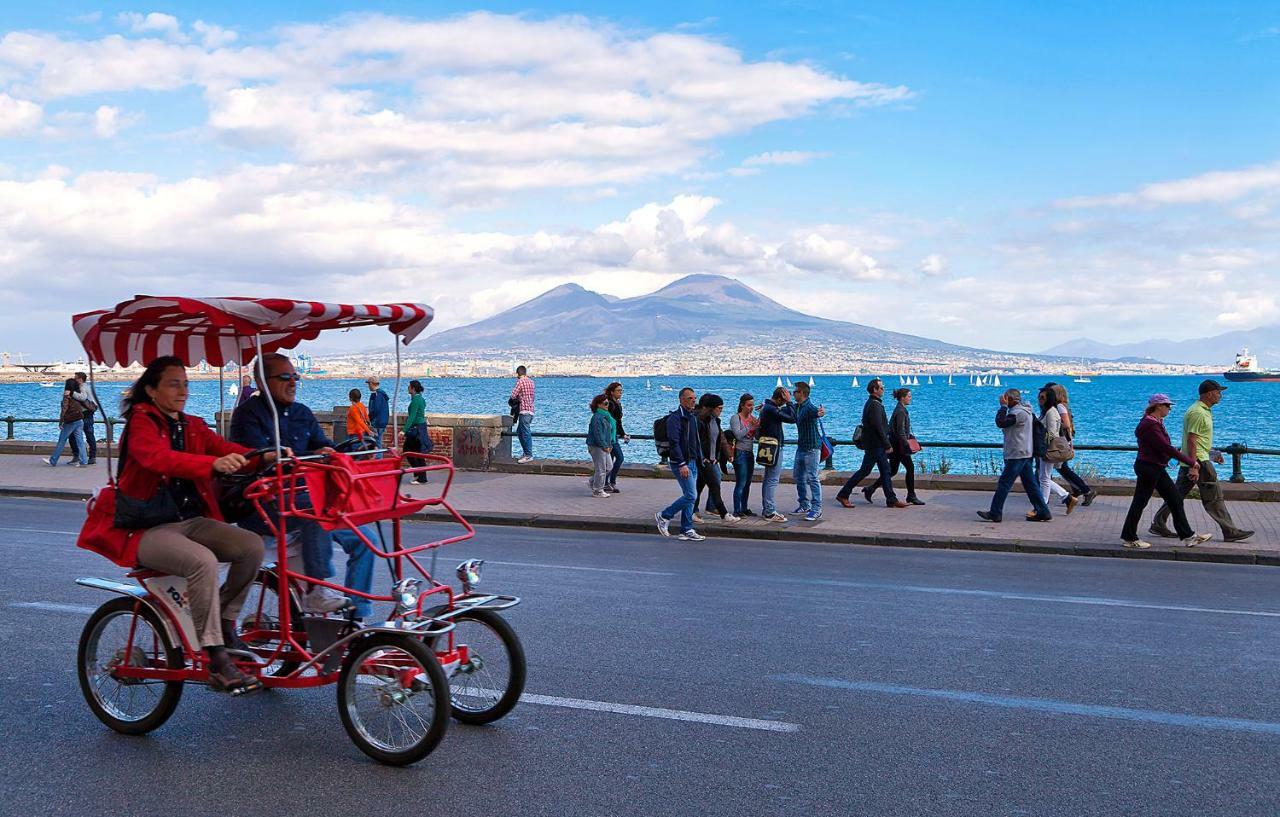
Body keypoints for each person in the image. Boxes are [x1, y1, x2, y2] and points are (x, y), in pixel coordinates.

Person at [107, 356, 266, 694]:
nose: (183, 390)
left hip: (190, 521)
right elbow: (157, 458)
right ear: (151, 390)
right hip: (146, 529)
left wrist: (266, 456)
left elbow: (226, 449)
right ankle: (215, 656)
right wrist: (212, 464)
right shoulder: (141, 423)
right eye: (173, 383)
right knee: (202, 561)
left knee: (251, 546)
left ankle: (224, 621)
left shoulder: (190, 424)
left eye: (185, 383)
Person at [230, 353, 377, 618]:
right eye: (285, 377)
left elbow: (323, 446)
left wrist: (330, 451)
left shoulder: (302, 413)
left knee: (367, 538)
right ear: (262, 382)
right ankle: (315, 592)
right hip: (263, 504)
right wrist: (275, 457)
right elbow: (251, 458)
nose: (293, 382)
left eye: (295, 376)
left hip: (303, 499)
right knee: (316, 511)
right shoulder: (247, 415)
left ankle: (357, 616)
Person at [1150, 379, 1254, 543]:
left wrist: (1213, 453)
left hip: (1194, 460)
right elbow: (1192, 440)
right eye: (1218, 392)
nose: (1220, 395)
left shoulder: (1202, 410)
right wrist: (1194, 465)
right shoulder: (1198, 412)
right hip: (1198, 462)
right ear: (1209, 393)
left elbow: (1197, 440)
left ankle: (1158, 523)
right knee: (1214, 498)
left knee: (1176, 495)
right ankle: (1230, 531)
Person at [1121, 394, 1212, 549]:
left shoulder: (1155, 422)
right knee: (1140, 502)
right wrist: (1191, 462)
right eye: (1167, 405)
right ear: (1158, 406)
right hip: (1149, 468)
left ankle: (1188, 536)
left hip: (1154, 467)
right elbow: (1165, 447)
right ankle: (1129, 537)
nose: (1169, 408)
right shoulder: (1150, 424)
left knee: (1175, 499)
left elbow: (1162, 447)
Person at [977, 388, 1052, 523]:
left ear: (1011, 400)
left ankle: (995, 512)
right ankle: (1043, 511)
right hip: (1025, 452)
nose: (1004, 401)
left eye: (1006, 399)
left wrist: (1003, 407)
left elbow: (1001, 422)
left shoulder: (1018, 413)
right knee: (1030, 484)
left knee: (1004, 483)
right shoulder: (1026, 411)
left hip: (1017, 453)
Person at [837, 379, 908, 509]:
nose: (883, 390)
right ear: (875, 390)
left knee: (885, 471)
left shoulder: (873, 403)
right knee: (866, 470)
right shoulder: (875, 405)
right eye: (881, 388)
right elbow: (878, 426)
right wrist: (887, 444)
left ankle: (891, 499)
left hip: (875, 444)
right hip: (875, 445)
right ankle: (843, 494)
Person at [654, 387, 705, 541]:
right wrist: (682, 463)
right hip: (681, 462)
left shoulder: (692, 418)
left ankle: (686, 529)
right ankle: (664, 515)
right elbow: (674, 442)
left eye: (694, 398)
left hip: (693, 461)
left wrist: (701, 457)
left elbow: (695, 440)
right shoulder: (675, 418)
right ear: (681, 400)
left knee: (689, 496)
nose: (693, 401)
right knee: (691, 495)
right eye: (690, 398)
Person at [864, 387, 925, 505]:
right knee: (910, 468)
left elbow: (900, 430)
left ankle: (871, 488)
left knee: (892, 471)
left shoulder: (899, 409)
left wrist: (911, 439)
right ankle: (911, 495)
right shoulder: (901, 411)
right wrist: (907, 444)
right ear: (902, 398)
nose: (910, 398)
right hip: (899, 446)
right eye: (909, 396)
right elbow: (901, 431)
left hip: (896, 444)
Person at [694, 393, 737, 522]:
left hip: (712, 459)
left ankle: (693, 510)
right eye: (719, 408)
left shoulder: (715, 421)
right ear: (711, 408)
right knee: (714, 486)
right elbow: (697, 442)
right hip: (704, 460)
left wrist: (728, 453)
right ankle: (723, 513)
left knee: (698, 487)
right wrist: (702, 458)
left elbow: (720, 438)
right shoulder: (699, 421)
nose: (721, 411)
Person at [1051, 383, 1096, 506]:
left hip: (1061, 441)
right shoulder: (1064, 406)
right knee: (1062, 468)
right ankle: (1078, 489)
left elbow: (1066, 424)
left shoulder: (1060, 407)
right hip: (1065, 441)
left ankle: (1086, 490)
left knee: (1062, 468)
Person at [1034, 386, 1077, 516]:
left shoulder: (1051, 412)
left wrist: (1043, 444)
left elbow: (1052, 432)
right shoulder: (1048, 412)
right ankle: (1066, 497)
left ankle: (1043, 506)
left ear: (1049, 398)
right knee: (1043, 477)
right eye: (1039, 397)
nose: (1040, 400)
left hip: (1048, 449)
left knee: (1044, 478)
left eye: (1042, 397)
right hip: (1046, 448)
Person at [757, 386, 796, 522]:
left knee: (768, 479)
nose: (784, 404)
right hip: (774, 446)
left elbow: (785, 412)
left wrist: (789, 404)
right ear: (780, 398)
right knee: (772, 479)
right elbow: (792, 418)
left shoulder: (768, 408)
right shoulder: (771, 409)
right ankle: (769, 511)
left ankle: (767, 508)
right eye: (783, 401)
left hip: (769, 446)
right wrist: (790, 402)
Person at [790, 381, 826, 521]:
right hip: (802, 447)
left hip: (812, 448)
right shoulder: (797, 407)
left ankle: (817, 508)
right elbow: (786, 409)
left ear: (802, 393)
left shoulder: (809, 407)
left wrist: (821, 413)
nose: (793, 394)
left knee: (812, 477)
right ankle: (804, 504)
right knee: (798, 476)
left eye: (795, 392)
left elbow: (817, 412)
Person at [729, 393, 759, 517]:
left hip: (749, 452)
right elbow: (738, 435)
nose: (751, 408)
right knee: (741, 482)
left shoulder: (752, 418)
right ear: (742, 405)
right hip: (740, 452)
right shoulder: (736, 418)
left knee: (747, 482)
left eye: (752, 405)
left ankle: (744, 507)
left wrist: (757, 426)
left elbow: (756, 437)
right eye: (748, 405)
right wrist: (750, 426)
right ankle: (737, 509)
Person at [48, 377, 88, 467]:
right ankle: (84, 460)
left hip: (70, 421)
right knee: (80, 441)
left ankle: (53, 460)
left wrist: (61, 421)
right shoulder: (77, 394)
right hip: (79, 419)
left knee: (62, 441)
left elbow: (64, 409)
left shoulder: (67, 395)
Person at [401, 379, 432, 484]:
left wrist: (403, 430)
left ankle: (420, 476)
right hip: (421, 427)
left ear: (413, 388)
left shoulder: (415, 400)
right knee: (417, 453)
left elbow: (412, 417)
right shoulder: (421, 399)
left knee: (408, 451)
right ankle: (419, 475)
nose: (408, 388)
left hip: (416, 428)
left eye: (409, 386)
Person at [585, 393, 616, 497]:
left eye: (608, 403)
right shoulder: (597, 417)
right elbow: (598, 433)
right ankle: (598, 490)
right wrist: (604, 445)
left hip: (604, 445)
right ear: (598, 405)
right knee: (601, 468)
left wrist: (609, 444)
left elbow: (607, 433)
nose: (607, 405)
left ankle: (593, 482)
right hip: (597, 446)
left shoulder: (605, 417)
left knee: (609, 467)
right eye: (605, 403)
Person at [604, 382, 629, 493]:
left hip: (614, 435)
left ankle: (607, 482)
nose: (620, 393)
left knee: (611, 460)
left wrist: (623, 433)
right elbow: (612, 421)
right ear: (612, 392)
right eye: (618, 391)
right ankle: (609, 482)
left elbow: (618, 422)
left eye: (621, 390)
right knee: (618, 458)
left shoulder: (617, 404)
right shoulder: (610, 404)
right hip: (610, 437)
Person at [70, 371, 98, 465]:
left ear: (80, 379)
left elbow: (82, 397)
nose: (74, 380)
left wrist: (72, 393)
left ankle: (77, 455)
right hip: (89, 413)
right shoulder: (87, 387)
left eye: (75, 378)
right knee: (89, 434)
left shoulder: (82, 387)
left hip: (85, 413)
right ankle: (92, 456)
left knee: (73, 434)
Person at [511, 365, 536, 464]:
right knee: (520, 431)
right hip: (531, 410)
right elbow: (532, 397)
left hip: (524, 410)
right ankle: (526, 452)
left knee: (525, 432)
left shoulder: (520, 382)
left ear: (518, 373)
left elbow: (513, 395)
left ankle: (528, 455)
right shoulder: (532, 382)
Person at [366, 377, 389, 451]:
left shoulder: (377, 394)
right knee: (378, 443)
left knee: (376, 444)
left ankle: (378, 460)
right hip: (382, 421)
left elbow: (376, 409)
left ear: (372, 384)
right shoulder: (382, 394)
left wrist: (369, 418)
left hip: (377, 422)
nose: (368, 386)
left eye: (369, 384)